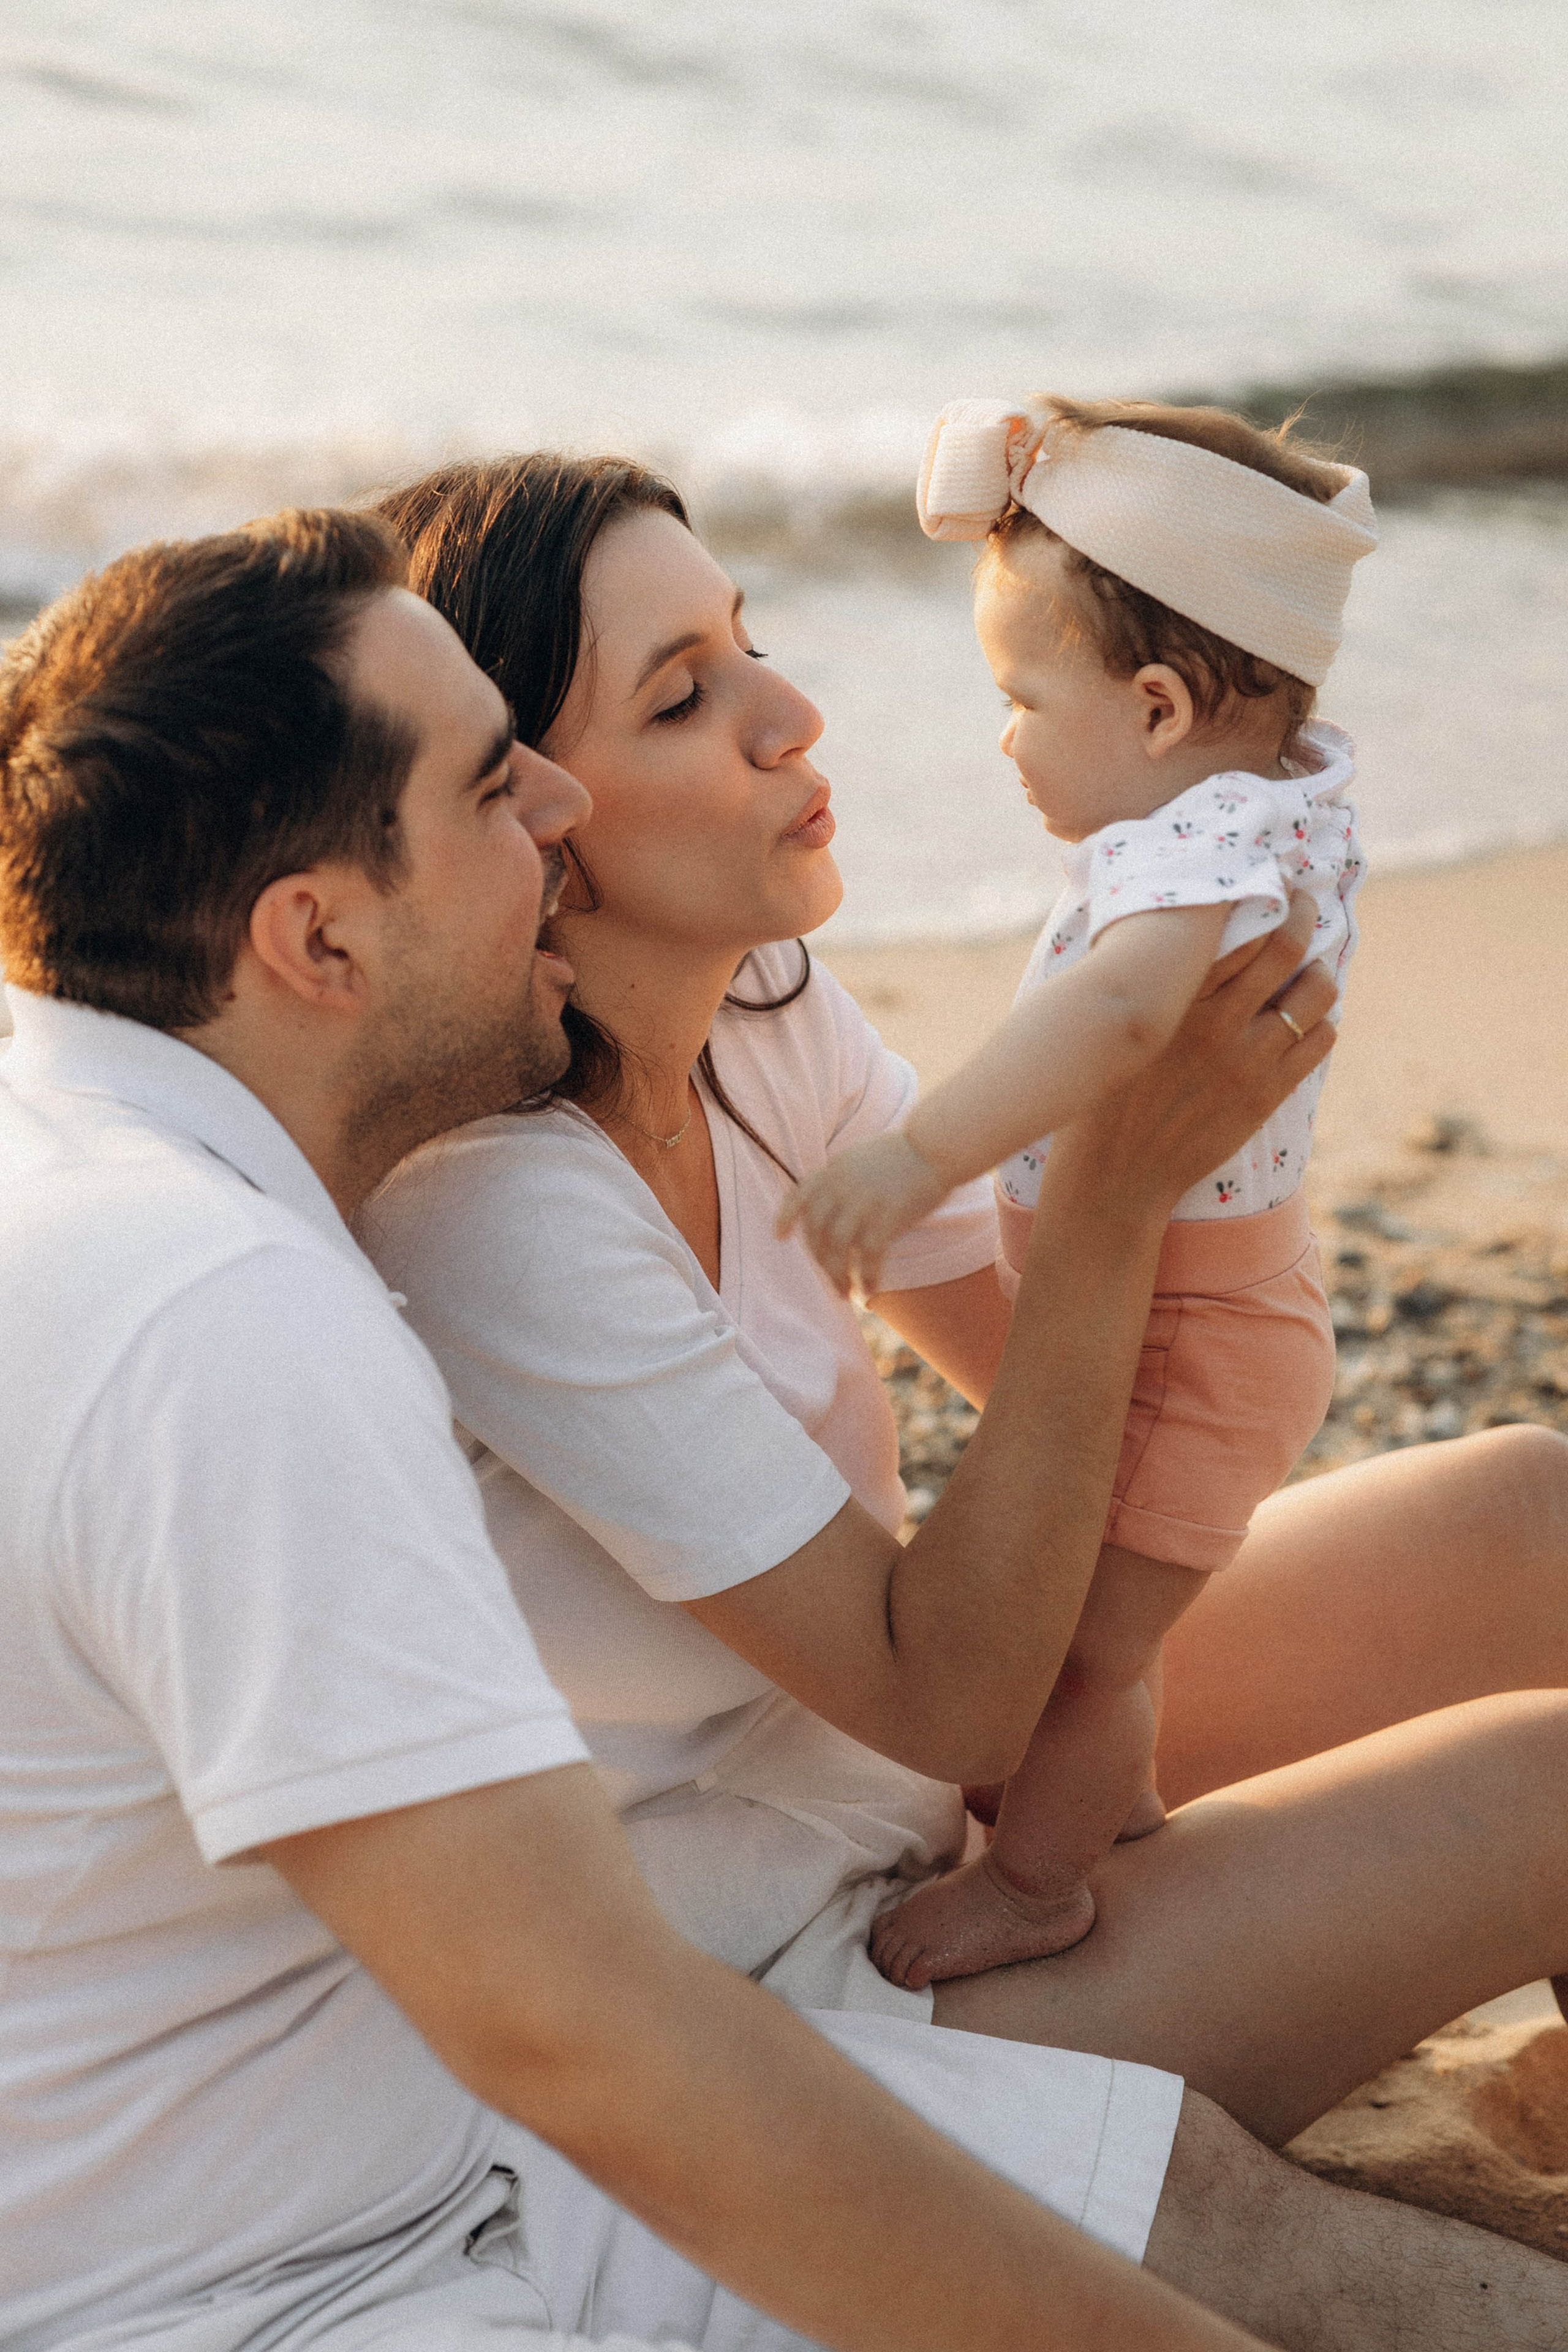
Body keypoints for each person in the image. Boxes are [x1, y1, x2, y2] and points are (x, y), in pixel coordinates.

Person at [0, 507, 1290, 2352]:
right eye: (488, 787)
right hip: (274, 2286)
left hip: (442, 2162)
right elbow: (585, 2032)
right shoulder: (224, 1310)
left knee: (1227, 2218)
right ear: (318, 939)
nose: (556, 811)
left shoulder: (118, 1174)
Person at [366, 451, 1568, 2351]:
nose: (792, 716)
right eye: (686, 696)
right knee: (1549, 1798)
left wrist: (1214, 1230)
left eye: (748, 642)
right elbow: (960, 1683)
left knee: (1527, 1509)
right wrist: (1108, 1195)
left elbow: (1040, 1389)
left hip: (922, 1795)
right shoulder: (503, 1210)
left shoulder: (760, 1007)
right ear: (531, 821)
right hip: (807, 1982)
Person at [777, 394, 1371, 1990]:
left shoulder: (1213, 844)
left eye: (1022, 697)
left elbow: (1114, 1021)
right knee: (1092, 1623)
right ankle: (1105, 1808)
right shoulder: (1254, 797)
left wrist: (922, 1155)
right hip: (1183, 1306)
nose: (1006, 739)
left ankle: (1042, 1881)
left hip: (1200, 1331)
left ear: (1164, 707)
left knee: (1096, 1649)